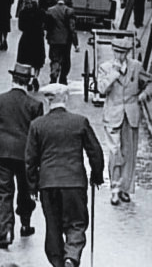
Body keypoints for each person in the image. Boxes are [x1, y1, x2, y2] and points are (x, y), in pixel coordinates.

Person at [25, 83, 105, 267]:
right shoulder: (79, 121)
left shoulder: (37, 125)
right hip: (74, 182)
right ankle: (72, 255)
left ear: (47, 100)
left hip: (48, 184)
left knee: (53, 227)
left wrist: (33, 185)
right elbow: (95, 151)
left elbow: (30, 159)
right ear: (66, 98)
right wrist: (97, 175)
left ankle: (58, 263)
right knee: (76, 223)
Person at [0, 63, 44, 249]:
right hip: (25, 154)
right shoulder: (34, 105)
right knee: (25, 190)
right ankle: (25, 223)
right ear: (29, 81)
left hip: (2, 152)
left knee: (3, 193)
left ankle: (5, 231)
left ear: (12, 79)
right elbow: (37, 134)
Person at [97, 37, 150, 205]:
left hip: (131, 114)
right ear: (113, 51)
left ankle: (125, 189)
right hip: (113, 115)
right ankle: (114, 188)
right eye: (117, 52)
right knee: (115, 152)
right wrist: (115, 73)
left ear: (127, 53)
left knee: (129, 153)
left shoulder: (136, 67)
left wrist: (144, 95)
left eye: (123, 52)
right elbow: (101, 89)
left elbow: (149, 82)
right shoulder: (105, 68)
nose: (120, 55)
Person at [45, 0, 77, 85]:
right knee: (66, 60)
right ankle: (63, 78)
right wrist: (76, 43)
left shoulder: (50, 10)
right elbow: (72, 28)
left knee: (55, 59)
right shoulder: (69, 11)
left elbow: (47, 26)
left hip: (53, 39)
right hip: (66, 40)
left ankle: (54, 74)